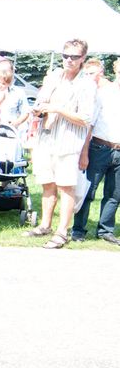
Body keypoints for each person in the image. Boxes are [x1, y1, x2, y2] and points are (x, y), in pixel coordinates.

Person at [24, 39, 97, 249]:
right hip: (46, 138)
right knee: (47, 183)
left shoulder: (86, 84)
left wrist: (57, 108)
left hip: (68, 141)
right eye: (65, 56)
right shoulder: (54, 77)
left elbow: (85, 118)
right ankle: (45, 225)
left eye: (74, 56)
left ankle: (62, 232)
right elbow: (42, 102)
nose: (69, 60)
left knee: (66, 187)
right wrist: (38, 110)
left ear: (83, 58)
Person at [71, 58, 120, 245]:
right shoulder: (104, 94)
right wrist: (84, 152)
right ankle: (78, 230)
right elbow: (89, 124)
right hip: (100, 148)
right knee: (88, 191)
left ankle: (105, 230)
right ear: (116, 72)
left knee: (114, 195)